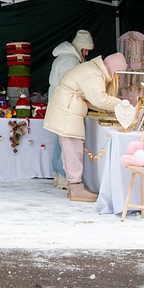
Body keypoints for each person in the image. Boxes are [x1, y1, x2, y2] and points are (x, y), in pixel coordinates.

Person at [43, 52, 127, 203]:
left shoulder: (93, 69)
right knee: (73, 149)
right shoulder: (94, 74)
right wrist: (121, 104)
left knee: (70, 150)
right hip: (67, 110)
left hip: (66, 107)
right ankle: (75, 187)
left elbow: (91, 98)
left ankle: (73, 186)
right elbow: (99, 99)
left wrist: (107, 107)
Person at [47, 29, 94, 189]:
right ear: (80, 47)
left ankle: (58, 175)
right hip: (64, 106)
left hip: (58, 104)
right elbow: (72, 86)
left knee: (59, 142)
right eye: (86, 49)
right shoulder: (70, 62)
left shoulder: (65, 58)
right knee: (64, 144)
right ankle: (63, 175)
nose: (87, 53)